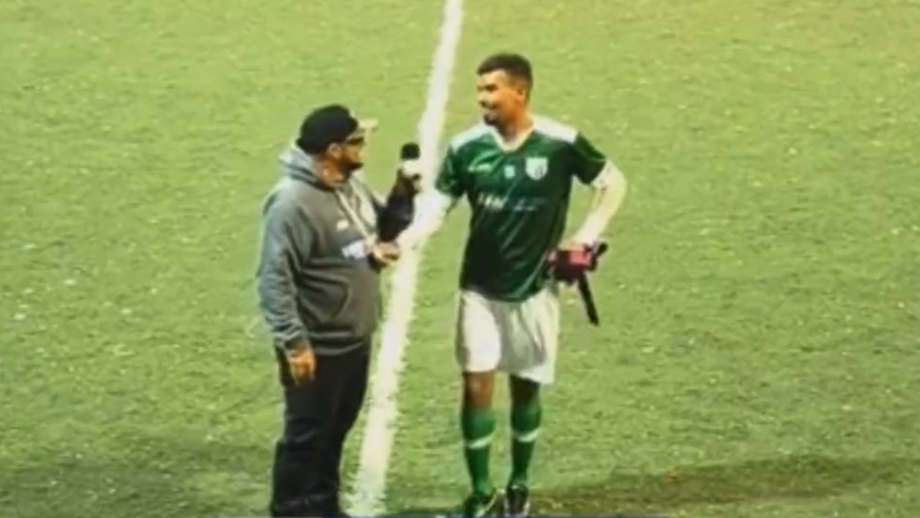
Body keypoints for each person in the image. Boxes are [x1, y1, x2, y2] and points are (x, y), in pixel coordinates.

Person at [390, 52, 628, 516]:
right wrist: (405, 241)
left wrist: (585, 236)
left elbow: (612, 183)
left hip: (536, 289)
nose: (483, 99)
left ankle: (519, 486)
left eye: (491, 89)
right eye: (480, 90)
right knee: (476, 384)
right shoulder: (467, 148)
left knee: (526, 386)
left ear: (520, 91)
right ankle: (482, 495)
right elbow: (437, 207)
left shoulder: (560, 143)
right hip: (478, 288)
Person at [255, 104, 415, 517]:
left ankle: (322, 505)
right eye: (357, 141)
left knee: (333, 430)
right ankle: (291, 509)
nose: (366, 147)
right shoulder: (292, 204)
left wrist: (402, 192)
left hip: (351, 338)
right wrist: (295, 344)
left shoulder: (348, 185)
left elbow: (383, 228)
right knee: (307, 435)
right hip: (318, 344)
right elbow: (274, 278)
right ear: (333, 149)